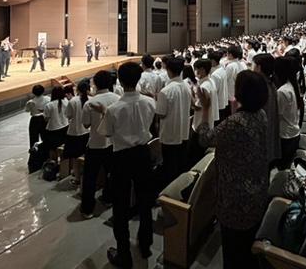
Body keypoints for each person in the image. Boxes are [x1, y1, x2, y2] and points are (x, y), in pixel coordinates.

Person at [197, 70, 269, 269]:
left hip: (235, 199)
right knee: (247, 248)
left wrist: (206, 108)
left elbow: (205, 139)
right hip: (257, 190)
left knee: (233, 252)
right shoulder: (261, 114)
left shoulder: (236, 123)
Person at [94, 62, 156, 267]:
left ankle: (124, 255)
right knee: (145, 200)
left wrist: (104, 112)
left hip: (121, 157)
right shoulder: (150, 102)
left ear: (120, 81)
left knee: (120, 206)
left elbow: (106, 133)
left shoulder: (114, 109)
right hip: (143, 154)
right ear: (138, 79)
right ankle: (145, 245)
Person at [80, 70, 120, 218]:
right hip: (113, 144)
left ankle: (87, 209)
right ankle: (108, 199)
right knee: (112, 174)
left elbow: (86, 124)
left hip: (95, 144)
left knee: (90, 178)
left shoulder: (90, 103)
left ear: (95, 84)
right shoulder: (118, 98)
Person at [155, 56, 191, 185]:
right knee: (180, 163)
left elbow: (161, 114)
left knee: (170, 166)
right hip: (183, 131)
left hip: (170, 133)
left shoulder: (166, 91)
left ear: (168, 70)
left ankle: (170, 191)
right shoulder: (187, 86)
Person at [189, 59, 219, 167]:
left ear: (202, 70)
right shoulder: (210, 82)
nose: (195, 71)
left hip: (200, 123)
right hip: (208, 122)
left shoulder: (203, 87)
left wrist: (190, 96)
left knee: (196, 155)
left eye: (196, 69)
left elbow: (199, 107)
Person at [253, 53, 281, 165]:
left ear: (259, 67)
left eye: (254, 65)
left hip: (261, 136)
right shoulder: (269, 84)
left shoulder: (262, 87)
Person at [274, 56, 302, 168]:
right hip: (293, 132)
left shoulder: (282, 91)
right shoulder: (291, 85)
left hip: (286, 135)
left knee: (282, 168)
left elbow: (277, 115)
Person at [63, 79, 90, 183]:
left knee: (75, 157)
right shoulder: (91, 99)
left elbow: (68, 115)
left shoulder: (73, 101)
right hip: (87, 131)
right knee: (85, 155)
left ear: (78, 90)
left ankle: (77, 178)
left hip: (75, 132)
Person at [43, 86, 69, 162]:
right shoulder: (66, 102)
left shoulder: (49, 105)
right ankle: (63, 165)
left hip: (53, 129)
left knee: (52, 149)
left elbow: (46, 118)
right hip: (65, 127)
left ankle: (54, 164)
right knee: (63, 148)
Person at [224, 45, 247, 115]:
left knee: (230, 114)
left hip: (230, 94)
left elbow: (225, 79)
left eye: (227, 54)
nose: (226, 55)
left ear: (230, 55)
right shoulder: (240, 64)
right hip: (237, 93)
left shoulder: (230, 66)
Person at [209, 50, 229, 119]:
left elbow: (213, 91)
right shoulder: (222, 68)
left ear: (213, 61)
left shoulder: (215, 75)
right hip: (223, 99)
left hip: (217, 102)